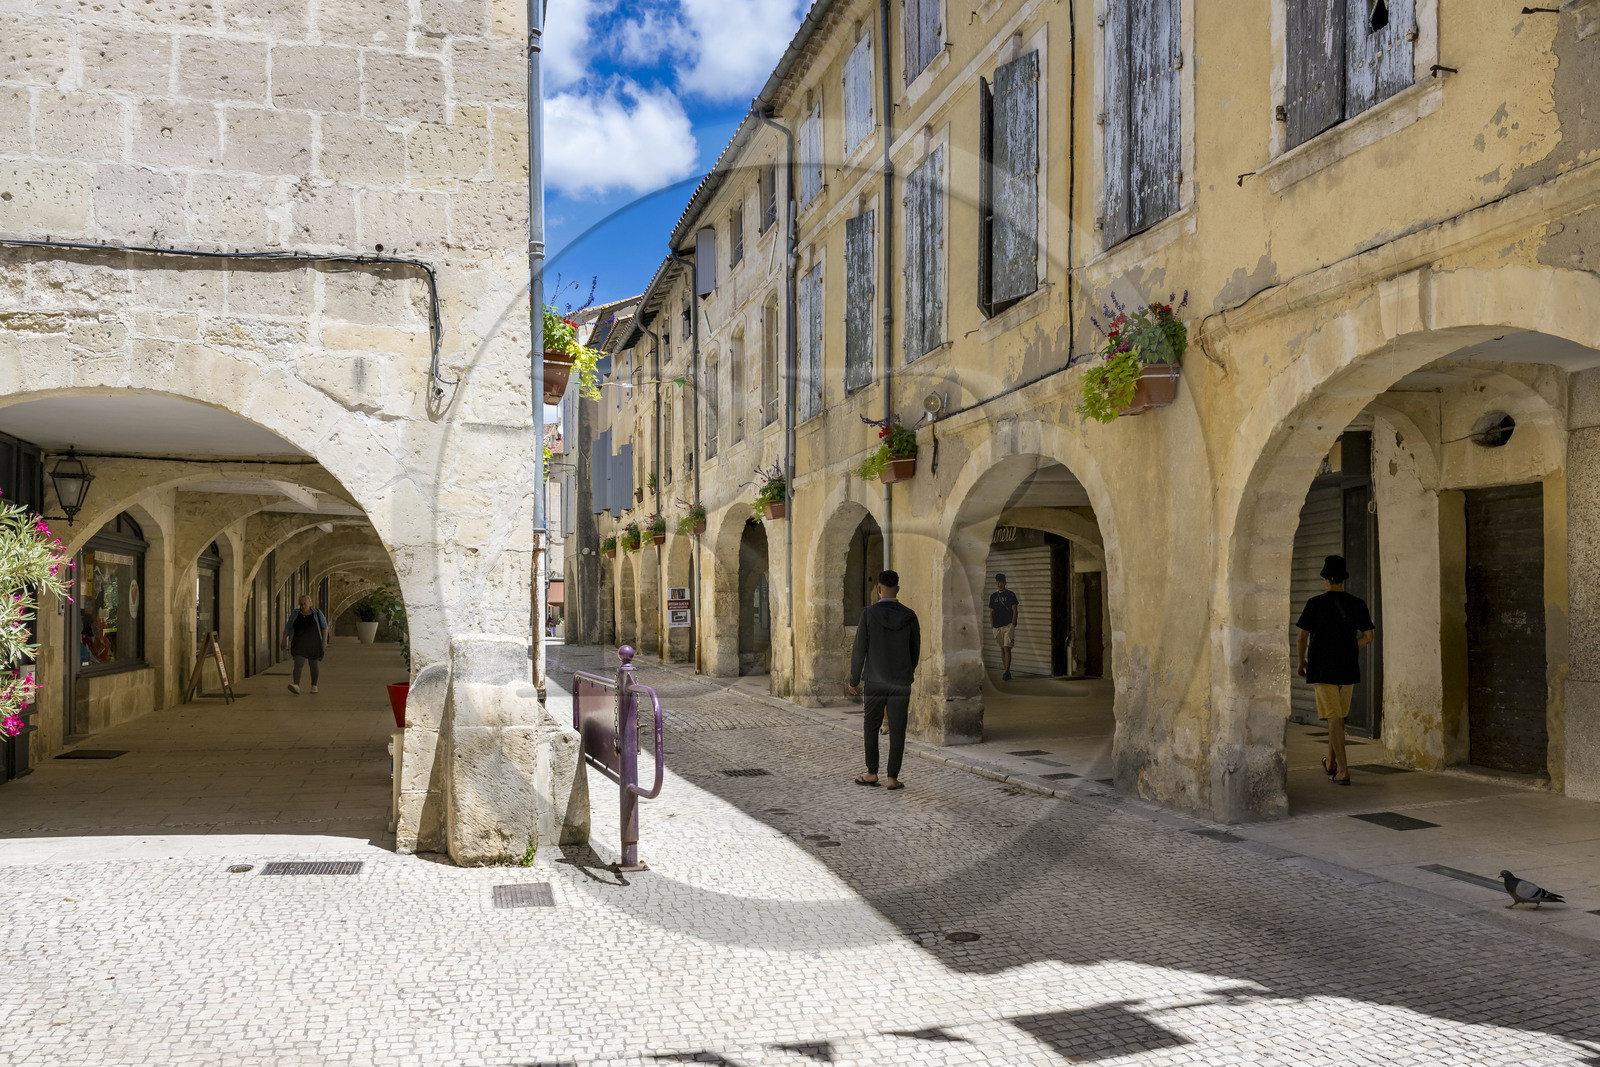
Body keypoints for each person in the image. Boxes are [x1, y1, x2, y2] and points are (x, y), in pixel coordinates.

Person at [1295, 555, 1375, 786]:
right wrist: (1351, 645)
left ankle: (1343, 770)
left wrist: (1301, 662)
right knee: (1337, 716)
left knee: (1333, 717)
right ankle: (1330, 762)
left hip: (1322, 667)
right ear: (1343, 580)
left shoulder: (1314, 603)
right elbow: (1368, 637)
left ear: (1326, 580)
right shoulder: (1357, 603)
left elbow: (1302, 637)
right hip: (1348, 666)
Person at [847, 569, 921, 791]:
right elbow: (915, 650)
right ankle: (892, 778)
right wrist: (906, 671)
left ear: (879, 590)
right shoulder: (909, 616)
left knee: (871, 726)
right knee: (898, 729)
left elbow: (859, 649)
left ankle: (871, 773)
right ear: (897, 589)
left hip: (874, 681)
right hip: (900, 680)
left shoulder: (869, 614)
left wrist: (854, 679)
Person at [281, 595, 330, 695]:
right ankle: (296, 685)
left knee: (313, 664)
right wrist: (284, 640)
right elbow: (288, 627)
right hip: (298, 642)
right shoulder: (295, 614)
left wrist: (324, 641)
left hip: (314, 643)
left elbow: (325, 627)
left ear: (310, 603)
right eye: (301, 604)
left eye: (305, 604)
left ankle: (314, 685)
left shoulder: (317, 613)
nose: (303, 606)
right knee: (298, 663)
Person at [989, 573, 1020, 681]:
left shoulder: (1011, 594)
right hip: (997, 627)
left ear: (1005, 583)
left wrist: (1013, 623)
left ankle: (1007, 671)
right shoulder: (993, 596)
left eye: (1001, 582)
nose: (999, 584)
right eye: (998, 582)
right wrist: (992, 626)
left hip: (1008, 625)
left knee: (1007, 648)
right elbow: (991, 612)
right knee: (1002, 648)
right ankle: (1005, 670)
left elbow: (1015, 609)